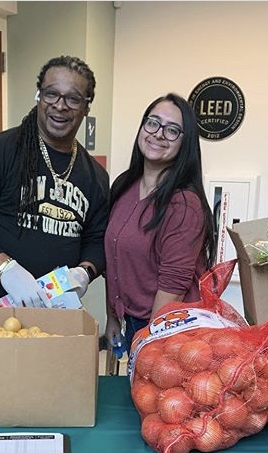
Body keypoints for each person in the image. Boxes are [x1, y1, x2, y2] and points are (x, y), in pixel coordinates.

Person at [0, 56, 109, 307]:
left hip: (59, 307)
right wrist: (4, 267)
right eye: (51, 94)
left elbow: (96, 239)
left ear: (86, 107)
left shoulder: (95, 175)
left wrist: (85, 272)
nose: (60, 105)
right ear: (39, 97)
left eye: (73, 98)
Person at [104, 93, 217, 351]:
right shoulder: (124, 186)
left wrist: (149, 342)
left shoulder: (183, 204)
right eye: (153, 122)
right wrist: (112, 316)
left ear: (185, 143)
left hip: (171, 329)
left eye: (172, 130)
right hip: (134, 321)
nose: (158, 134)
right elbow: (113, 261)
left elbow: (173, 286)